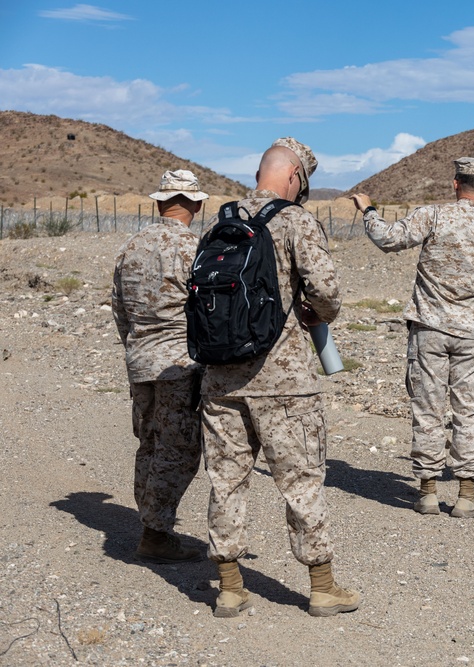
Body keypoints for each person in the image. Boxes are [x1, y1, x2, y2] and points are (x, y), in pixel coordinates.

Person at [200, 138, 360, 618]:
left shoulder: (221, 221)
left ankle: (229, 587)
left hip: (221, 378)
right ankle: (322, 587)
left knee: (226, 480)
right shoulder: (295, 220)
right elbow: (327, 292)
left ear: (259, 172)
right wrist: (313, 314)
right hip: (284, 379)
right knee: (301, 481)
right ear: (293, 176)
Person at [350, 157, 474, 519]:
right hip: (472, 334)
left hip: (429, 330)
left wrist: (369, 210)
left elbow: (388, 238)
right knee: (468, 412)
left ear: (455, 184)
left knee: (427, 409)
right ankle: (467, 496)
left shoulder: (434, 215)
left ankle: (427, 492)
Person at [112, 169, 208, 564]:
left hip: (140, 359)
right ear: (199, 205)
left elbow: (119, 308)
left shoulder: (131, 245)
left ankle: (151, 520)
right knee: (179, 448)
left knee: (149, 442)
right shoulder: (196, 249)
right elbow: (207, 309)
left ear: (158, 203)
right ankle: (156, 533)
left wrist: (134, 346)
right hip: (179, 363)